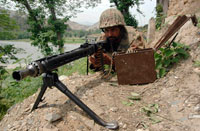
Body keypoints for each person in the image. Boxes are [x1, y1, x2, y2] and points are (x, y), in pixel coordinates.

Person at [89, 8, 146, 72]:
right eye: (106, 30)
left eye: (113, 29)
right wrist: (96, 62)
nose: (110, 34)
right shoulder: (102, 39)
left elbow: (139, 66)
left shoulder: (133, 37)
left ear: (121, 28)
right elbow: (95, 67)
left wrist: (111, 62)